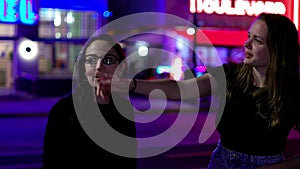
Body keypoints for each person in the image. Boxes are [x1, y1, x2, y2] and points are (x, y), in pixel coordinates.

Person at [99, 13, 300, 168]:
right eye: (249, 37)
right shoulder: (230, 75)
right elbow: (182, 89)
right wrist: (129, 85)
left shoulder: (293, 89)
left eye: (257, 41)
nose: (246, 44)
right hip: (223, 162)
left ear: (277, 49)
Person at [43, 34, 137, 168]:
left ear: (120, 67)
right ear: (83, 67)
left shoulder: (125, 108)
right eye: (92, 59)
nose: (99, 66)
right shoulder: (64, 111)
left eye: (108, 60)